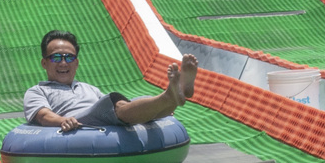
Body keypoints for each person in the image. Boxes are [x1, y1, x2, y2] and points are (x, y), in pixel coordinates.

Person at [24, 29, 199, 132]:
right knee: (113, 103)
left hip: (102, 117)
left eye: (69, 58)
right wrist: (63, 121)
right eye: (56, 58)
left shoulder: (87, 88)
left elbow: (115, 109)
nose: (63, 63)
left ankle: (178, 94)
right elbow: (43, 116)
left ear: (76, 63)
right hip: (78, 121)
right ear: (44, 63)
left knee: (135, 101)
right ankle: (169, 97)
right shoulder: (37, 91)